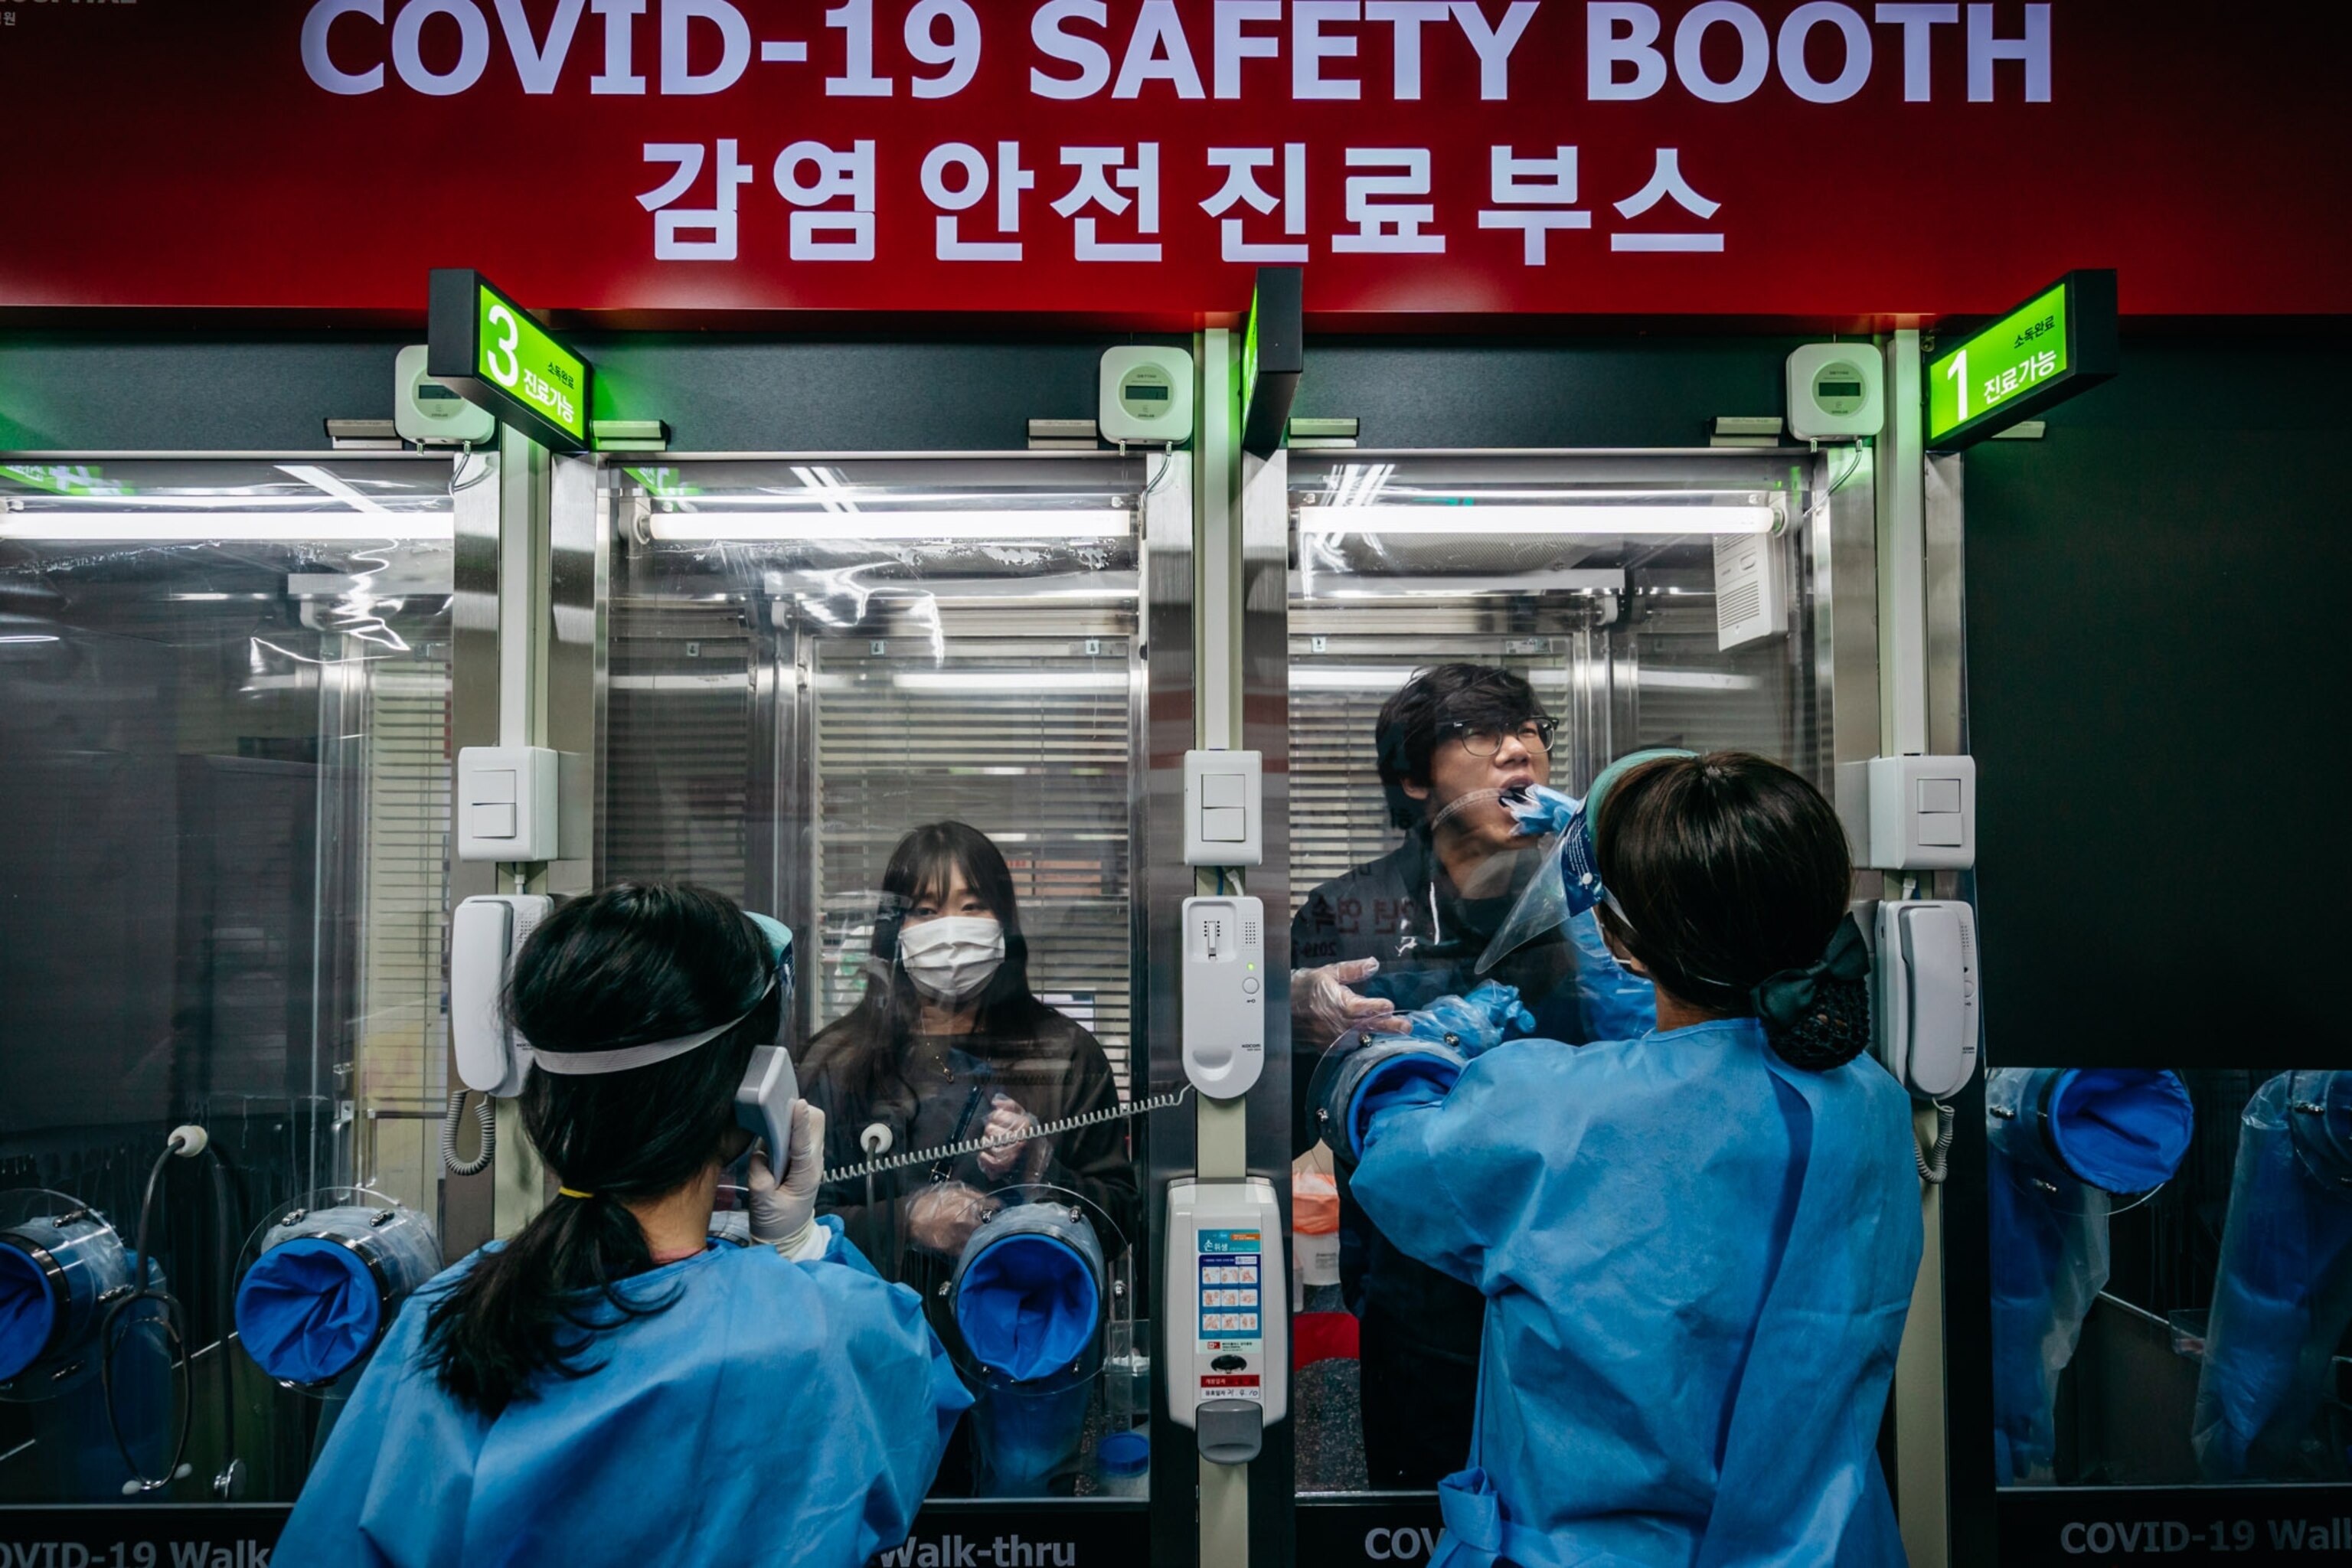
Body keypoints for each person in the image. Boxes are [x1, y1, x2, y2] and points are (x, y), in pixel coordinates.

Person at [1333, 752, 1921, 1566]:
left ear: (1617, 937)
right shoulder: (1873, 1103)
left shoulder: (1553, 1110)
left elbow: (1401, 1165)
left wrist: (1383, 1060)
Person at [275, 883, 970, 1567]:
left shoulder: (448, 1316)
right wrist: (800, 1245)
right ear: (753, 1095)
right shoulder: (819, 1331)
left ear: (550, 1099)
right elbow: (918, 1413)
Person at [1289, 662, 1651, 1488]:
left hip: (1586, 1277)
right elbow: (1286, 1103)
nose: (1515, 751)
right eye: (1479, 735)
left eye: (1528, 731)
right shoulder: (1349, 909)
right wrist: (1295, 1013)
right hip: (1418, 1293)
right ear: (1415, 778)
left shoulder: (1592, 902)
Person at [801, 821, 1139, 1495]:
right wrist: (907, 1219)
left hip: (1030, 1362)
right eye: (927, 911)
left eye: (971, 906)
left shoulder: (1062, 1054)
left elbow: (1122, 1219)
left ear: (1003, 922)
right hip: (874, 1364)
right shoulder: (835, 1064)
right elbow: (787, 1232)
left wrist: (1042, 1167)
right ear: (896, 930)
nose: (949, 930)